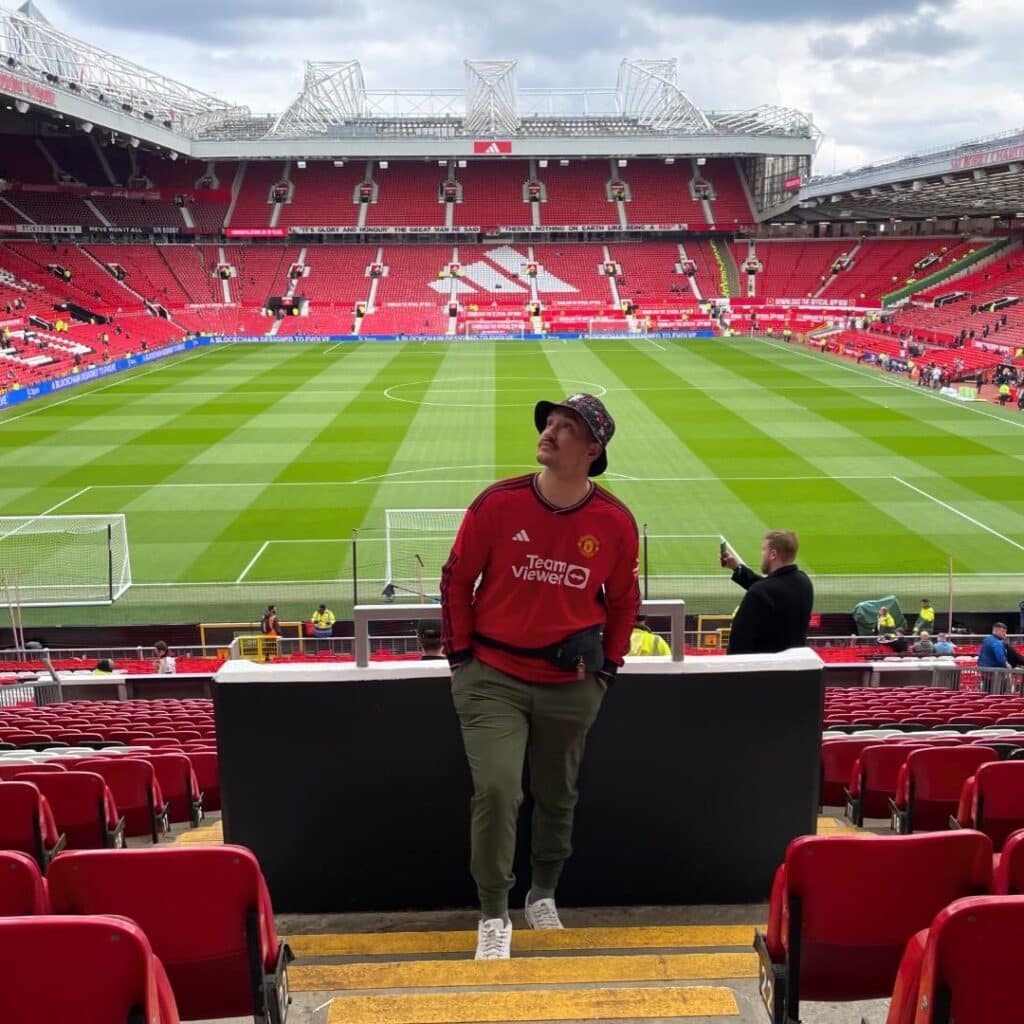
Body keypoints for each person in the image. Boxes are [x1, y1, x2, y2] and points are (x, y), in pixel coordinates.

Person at [441, 393, 638, 961]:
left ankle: (543, 894)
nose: (549, 432)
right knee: (498, 790)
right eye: (549, 423)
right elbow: (456, 580)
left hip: (572, 683)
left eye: (566, 427)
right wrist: (461, 660)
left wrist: (607, 669)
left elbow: (623, 602)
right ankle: (493, 914)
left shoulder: (614, 521)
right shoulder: (498, 503)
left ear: (593, 450)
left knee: (558, 795)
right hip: (492, 677)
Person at [720, 531, 814, 655]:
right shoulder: (804, 582)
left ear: (773, 554)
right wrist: (737, 568)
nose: (762, 553)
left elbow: (738, 644)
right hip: (794, 661)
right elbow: (773, 588)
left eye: (764, 549)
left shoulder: (760, 592)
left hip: (764, 664)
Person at [978, 622, 1010, 692]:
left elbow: (980, 655)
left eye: (1005, 632)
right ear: (996, 631)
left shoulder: (986, 640)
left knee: (986, 692)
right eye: (1003, 631)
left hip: (984, 672)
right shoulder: (997, 643)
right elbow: (1001, 659)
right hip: (995, 674)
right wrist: (1006, 666)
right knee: (998, 693)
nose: (1005, 634)